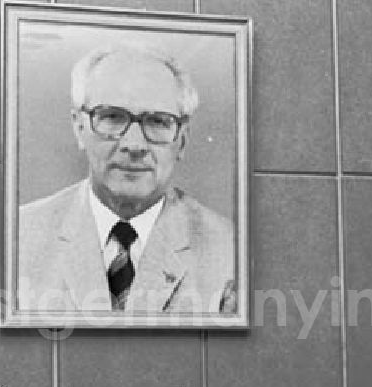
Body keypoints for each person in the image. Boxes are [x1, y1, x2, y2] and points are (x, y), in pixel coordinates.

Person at [18, 45, 237, 314]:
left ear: (182, 140)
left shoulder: (230, 252)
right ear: (78, 128)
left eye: (158, 121)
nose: (134, 145)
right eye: (112, 117)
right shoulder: (19, 239)